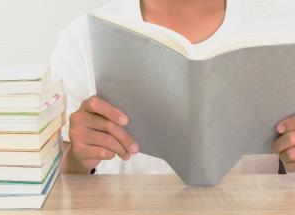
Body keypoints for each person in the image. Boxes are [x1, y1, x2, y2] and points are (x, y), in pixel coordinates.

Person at [50, 0, 295, 175]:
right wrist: (76, 159)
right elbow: (53, 176)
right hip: (123, 210)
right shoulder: (84, 35)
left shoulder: (284, 26)